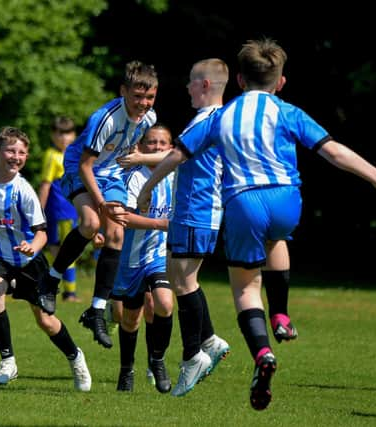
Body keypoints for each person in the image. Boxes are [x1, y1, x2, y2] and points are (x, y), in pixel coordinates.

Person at [137, 38, 376, 410]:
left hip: (244, 202)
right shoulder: (289, 112)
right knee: (277, 240)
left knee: (244, 287)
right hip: (288, 199)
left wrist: (147, 189)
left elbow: (177, 155)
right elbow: (333, 151)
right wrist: (375, 175)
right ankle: (282, 314)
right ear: (281, 82)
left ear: (239, 80)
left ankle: (262, 354)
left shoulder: (221, 116)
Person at [0, 126, 92, 392]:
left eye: (22, 152)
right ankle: (8, 361)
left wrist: (31, 246)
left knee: (45, 321)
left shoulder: (23, 190)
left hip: (28, 261)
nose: (16, 156)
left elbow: (42, 234)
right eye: (11, 150)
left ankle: (75, 356)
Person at [122, 58, 232, 398]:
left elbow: (174, 156)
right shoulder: (220, 119)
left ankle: (192, 355)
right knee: (181, 276)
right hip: (197, 211)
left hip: (195, 211)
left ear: (204, 86)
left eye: (190, 81)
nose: (186, 87)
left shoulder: (206, 118)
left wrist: (145, 186)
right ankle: (209, 340)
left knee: (182, 283)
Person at [37, 60, 159, 350]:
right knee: (91, 224)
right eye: (137, 96)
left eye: (150, 97)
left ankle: (96, 310)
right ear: (123, 91)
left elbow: (128, 148)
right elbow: (85, 165)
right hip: (81, 170)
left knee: (117, 234)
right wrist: (102, 203)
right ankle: (51, 281)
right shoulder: (105, 118)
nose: (143, 103)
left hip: (112, 173)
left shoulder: (150, 118)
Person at [110, 124, 175, 394]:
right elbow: (123, 218)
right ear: (140, 146)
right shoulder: (133, 177)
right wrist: (159, 224)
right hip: (131, 258)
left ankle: (157, 360)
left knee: (163, 303)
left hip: (159, 256)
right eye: (151, 142)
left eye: (162, 143)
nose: (157, 148)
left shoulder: (175, 174)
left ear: (170, 147)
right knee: (130, 318)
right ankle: (126, 370)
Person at [38, 116, 81, 302]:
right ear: (53, 135)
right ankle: (64, 290)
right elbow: (46, 184)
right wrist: (39, 210)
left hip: (68, 210)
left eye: (68, 133)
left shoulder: (76, 154)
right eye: (60, 133)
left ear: (74, 134)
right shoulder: (52, 155)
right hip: (57, 209)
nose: (64, 138)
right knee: (59, 249)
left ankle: (66, 290)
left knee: (63, 249)